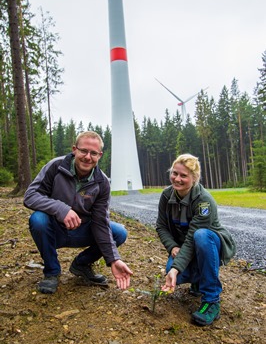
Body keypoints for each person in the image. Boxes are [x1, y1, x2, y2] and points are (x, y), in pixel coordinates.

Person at [24, 131, 133, 294]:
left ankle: (81, 264)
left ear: (100, 155)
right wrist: (61, 209)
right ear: (74, 149)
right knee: (38, 219)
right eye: (83, 151)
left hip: (82, 231)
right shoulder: (56, 167)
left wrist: (113, 259)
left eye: (93, 153)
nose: (88, 157)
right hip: (54, 229)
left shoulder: (102, 182)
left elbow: (100, 222)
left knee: (119, 232)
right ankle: (52, 272)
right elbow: (30, 196)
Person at [156, 154, 236, 326]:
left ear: (194, 178)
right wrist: (172, 247)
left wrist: (176, 268)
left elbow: (193, 237)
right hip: (185, 246)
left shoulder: (204, 201)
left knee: (200, 236)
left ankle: (212, 300)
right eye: (174, 173)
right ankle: (199, 281)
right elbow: (161, 226)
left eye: (183, 175)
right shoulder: (166, 195)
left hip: (210, 243)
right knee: (172, 270)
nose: (177, 179)